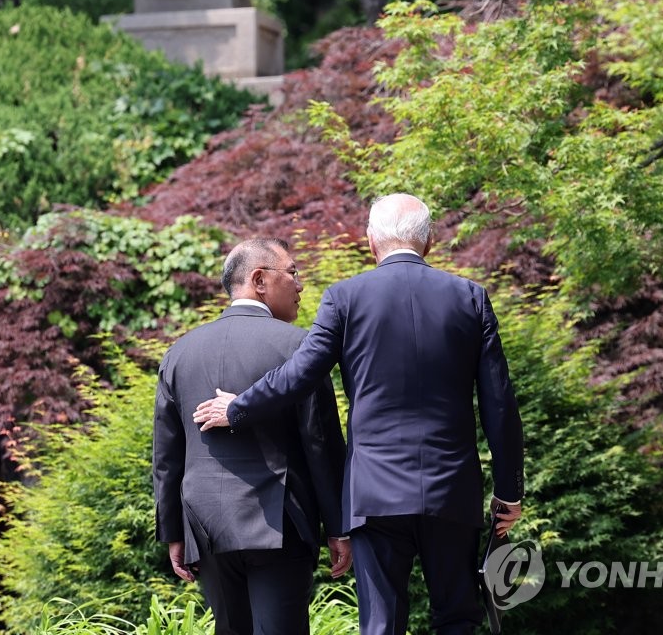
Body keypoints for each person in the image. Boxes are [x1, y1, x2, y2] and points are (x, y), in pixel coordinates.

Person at [194, 194, 524, 635]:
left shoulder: (344, 298)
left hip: (375, 493)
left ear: (371, 242)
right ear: (429, 242)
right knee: (458, 617)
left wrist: (238, 407)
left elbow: (299, 375)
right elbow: (499, 403)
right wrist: (509, 491)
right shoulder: (470, 298)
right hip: (452, 488)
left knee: (381, 622)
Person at [153, 237, 352, 635]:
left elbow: (167, 457)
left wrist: (174, 532)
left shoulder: (178, 353)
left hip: (206, 525)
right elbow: (320, 442)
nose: (300, 285)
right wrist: (338, 526)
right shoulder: (299, 348)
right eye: (293, 273)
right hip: (281, 522)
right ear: (259, 280)